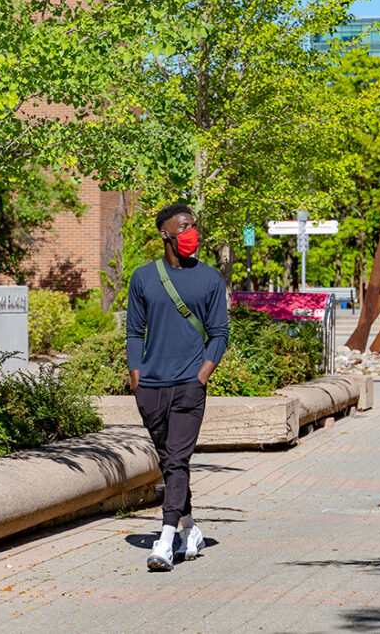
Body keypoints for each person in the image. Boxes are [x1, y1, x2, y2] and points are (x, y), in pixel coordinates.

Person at [126, 204, 229, 571]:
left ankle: (166, 540)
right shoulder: (142, 278)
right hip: (150, 386)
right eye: (183, 226)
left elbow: (220, 333)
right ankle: (191, 529)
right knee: (170, 463)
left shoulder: (211, 279)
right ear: (165, 234)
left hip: (189, 384)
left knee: (178, 459)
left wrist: (201, 375)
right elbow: (134, 333)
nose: (192, 233)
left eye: (194, 226)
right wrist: (136, 378)